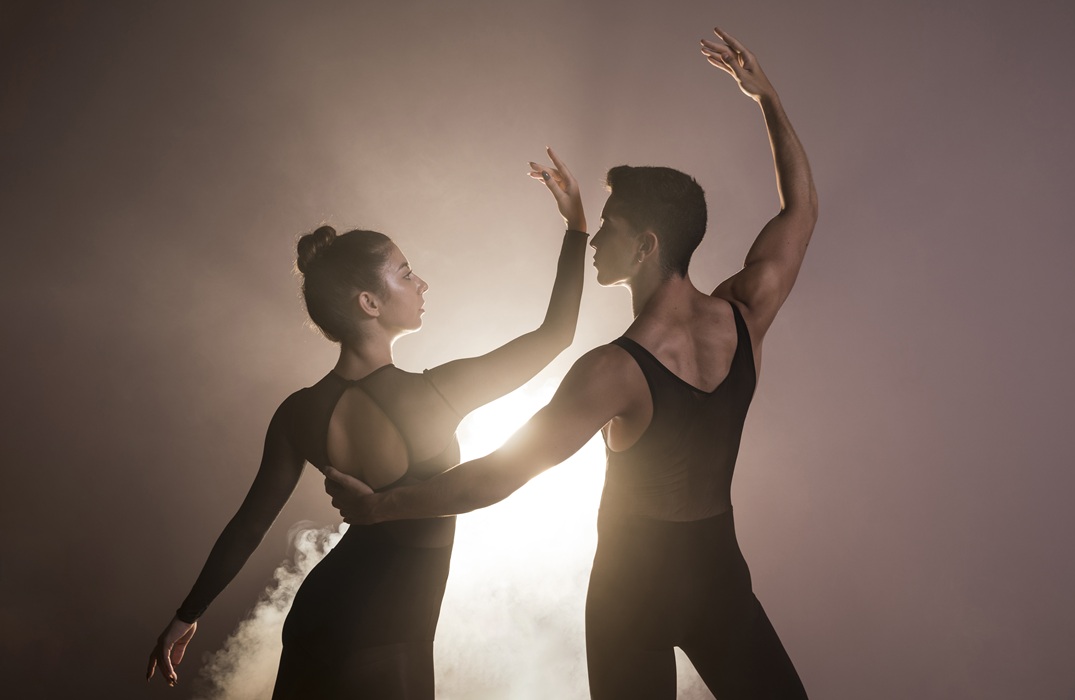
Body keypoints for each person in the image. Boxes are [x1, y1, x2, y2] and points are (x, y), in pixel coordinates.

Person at [323, 28, 816, 699]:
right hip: (715, 577)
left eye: (609, 226)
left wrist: (380, 507)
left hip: (632, 595)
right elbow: (801, 212)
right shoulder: (745, 314)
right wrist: (767, 98)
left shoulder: (613, 372)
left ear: (645, 246)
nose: (597, 237)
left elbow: (500, 475)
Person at [145, 148, 589, 699]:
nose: (422, 283)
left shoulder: (298, 412)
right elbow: (556, 334)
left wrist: (185, 616)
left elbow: (248, 525)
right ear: (369, 303)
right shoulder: (434, 394)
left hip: (318, 620)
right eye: (405, 273)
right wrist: (576, 226)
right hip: (391, 637)